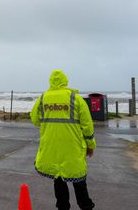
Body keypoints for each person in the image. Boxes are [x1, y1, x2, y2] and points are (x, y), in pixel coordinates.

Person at [30, 70, 96, 210]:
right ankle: (85, 206)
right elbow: (87, 126)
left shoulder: (43, 98)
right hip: (73, 147)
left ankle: (63, 207)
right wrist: (91, 145)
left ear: (51, 82)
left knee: (58, 181)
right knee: (78, 179)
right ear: (65, 81)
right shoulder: (75, 98)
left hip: (52, 147)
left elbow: (35, 120)